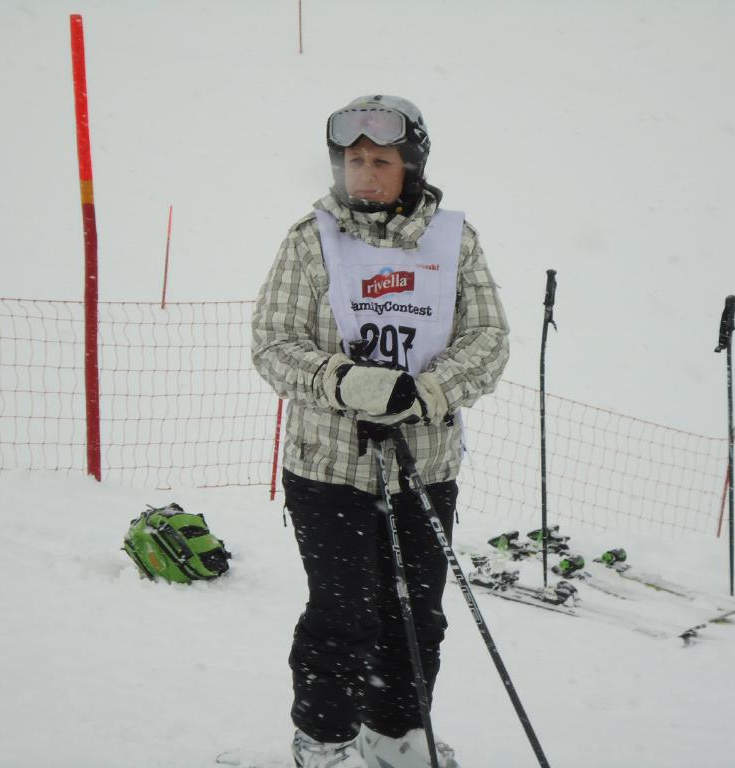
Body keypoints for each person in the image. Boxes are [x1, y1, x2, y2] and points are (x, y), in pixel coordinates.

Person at [251, 94, 509, 768]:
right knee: (342, 618)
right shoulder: (310, 241)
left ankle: (394, 733)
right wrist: (346, 383)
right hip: (329, 467)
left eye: (381, 161)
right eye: (354, 160)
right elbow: (274, 344)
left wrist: (427, 391)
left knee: (417, 616)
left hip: (425, 466)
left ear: (411, 166)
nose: (364, 174)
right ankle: (326, 739)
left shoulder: (453, 242)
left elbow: (488, 339)